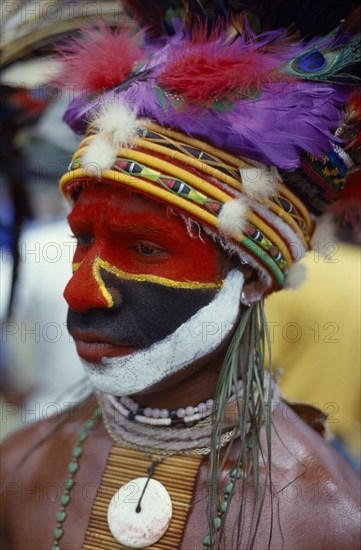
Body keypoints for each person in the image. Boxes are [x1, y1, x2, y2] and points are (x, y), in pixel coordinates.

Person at [1, 6, 360, 550]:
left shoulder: (320, 519)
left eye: (146, 248)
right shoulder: (16, 471)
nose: (80, 291)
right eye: (82, 240)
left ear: (256, 278)